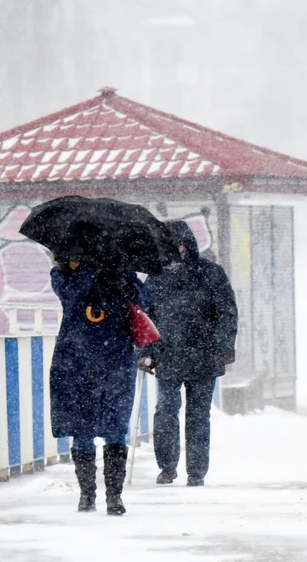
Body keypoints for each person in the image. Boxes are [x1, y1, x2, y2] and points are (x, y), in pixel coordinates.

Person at [140, 220, 237, 487]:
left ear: (187, 245)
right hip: (168, 355)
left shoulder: (211, 274)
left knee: (197, 416)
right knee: (166, 411)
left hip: (205, 357)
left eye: (178, 245)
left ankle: (196, 472)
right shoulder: (157, 278)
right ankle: (167, 467)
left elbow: (227, 313)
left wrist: (224, 348)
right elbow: (145, 318)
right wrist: (145, 350)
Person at [50, 260, 147, 515]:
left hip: (116, 359)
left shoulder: (122, 271)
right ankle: (87, 495)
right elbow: (72, 299)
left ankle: (114, 496)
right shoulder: (63, 275)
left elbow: (145, 302)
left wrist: (124, 283)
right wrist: (91, 271)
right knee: (81, 428)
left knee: (115, 426)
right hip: (76, 362)